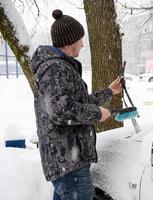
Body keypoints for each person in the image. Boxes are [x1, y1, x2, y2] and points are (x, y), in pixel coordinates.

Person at [30, 9, 122, 200]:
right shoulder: (54, 68)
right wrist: (97, 114)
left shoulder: (61, 67)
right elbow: (60, 110)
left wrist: (108, 91)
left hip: (69, 161)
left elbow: (76, 104)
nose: (82, 44)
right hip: (68, 161)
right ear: (70, 42)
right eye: (81, 39)